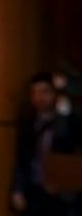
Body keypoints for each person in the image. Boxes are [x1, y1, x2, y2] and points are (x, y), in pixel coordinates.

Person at [11, 71, 82, 216]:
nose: (40, 97)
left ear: (54, 94)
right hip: (33, 191)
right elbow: (21, 159)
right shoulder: (28, 122)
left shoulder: (65, 122)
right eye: (35, 93)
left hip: (61, 197)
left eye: (44, 92)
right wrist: (17, 189)